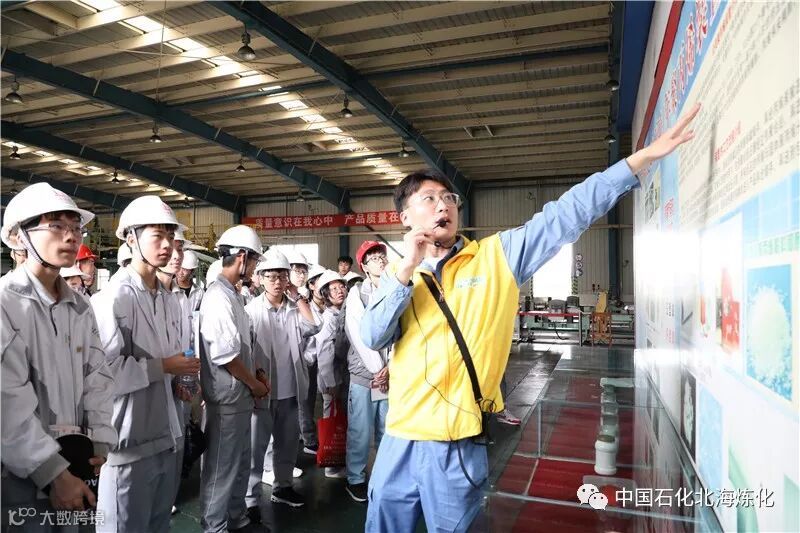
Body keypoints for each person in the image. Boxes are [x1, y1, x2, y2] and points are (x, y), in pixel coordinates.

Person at [361, 104, 701, 532]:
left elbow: (565, 215)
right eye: (429, 199)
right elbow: (373, 335)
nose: (443, 205)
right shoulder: (396, 275)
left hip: (456, 445)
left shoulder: (496, 258)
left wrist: (636, 163)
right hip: (399, 440)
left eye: (449, 198)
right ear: (404, 217)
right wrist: (406, 269)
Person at [0, 183, 116, 530]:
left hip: (79, 463)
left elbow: (98, 376)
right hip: (20, 476)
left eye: (76, 227)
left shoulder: (79, 306)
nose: (71, 236)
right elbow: (7, 401)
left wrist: (99, 440)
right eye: (56, 225)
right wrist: (51, 472)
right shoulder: (6, 304)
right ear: (19, 237)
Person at [91, 195, 200, 533]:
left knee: (158, 525)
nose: (167, 245)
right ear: (130, 238)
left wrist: (179, 378)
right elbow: (103, 374)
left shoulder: (167, 299)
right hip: (128, 443)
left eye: (171, 236)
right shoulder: (113, 298)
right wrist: (163, 367)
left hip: (166, 436)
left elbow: (173, 357)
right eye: (158, 235)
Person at [198, 225, 269, 533]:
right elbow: (226, 356)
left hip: (240, 397)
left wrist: (256, 374)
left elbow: (241, 346)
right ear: (242, 257)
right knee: (221, 469)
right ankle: (215, 526)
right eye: (254, 261)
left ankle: (237, 519)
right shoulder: (218, 298)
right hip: (227, 399)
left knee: (239, 463)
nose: (254, 268)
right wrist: (254, 385)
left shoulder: (234, 296)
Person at [244, 250, 320, 519]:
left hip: (290, 390)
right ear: (261, 279)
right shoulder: (251, 311)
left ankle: (283, 487)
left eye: (282, 276)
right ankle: (250, 499)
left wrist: (298, 297)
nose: (277, 282)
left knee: (287, 444)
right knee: (256, 447)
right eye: (271, 276)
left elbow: (315, 325)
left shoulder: (294, 309)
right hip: (263, 391)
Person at [154, 229, 199, 515]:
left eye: (180, 248)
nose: (175, 254)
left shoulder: (178, 298)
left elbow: (186, 344)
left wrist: (186, 379)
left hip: (177, 389)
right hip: (147, 398)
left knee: (176, 447)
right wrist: (167, 369)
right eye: (170, 246)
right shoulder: (122, 296)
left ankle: (168, 497)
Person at [343, 241, 391, 503]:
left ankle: (385, 476)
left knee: (388, 429)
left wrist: (390, 367)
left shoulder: (395, 288)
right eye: (373, 258)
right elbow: (358, 334)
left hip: (390, 375)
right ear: (363, 266)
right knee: (360, 430)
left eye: (381, 255)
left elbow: (402, 330)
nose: (379, 260)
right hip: (365, 376)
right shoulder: (357, 294)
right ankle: (356, 479)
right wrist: (378, 369)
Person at [309, 269, 350, 479]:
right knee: (332, 419)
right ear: (326, 294)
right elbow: (324, 353)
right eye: (333, 289)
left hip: (341, 376)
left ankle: (338, 461)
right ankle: (331, 466)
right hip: (332, 379)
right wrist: (332, 383)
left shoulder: (342, 313)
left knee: (339, 418)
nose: (339, 291)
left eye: (341, 286)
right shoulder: (329, 317)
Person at [299, 263, 326, 456]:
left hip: (319, 361)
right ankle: (309, 439)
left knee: (311, 401)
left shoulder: (327, 307)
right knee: (304, 402)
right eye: (320, 283)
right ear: (311, 285)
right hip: (307, 361)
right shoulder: (305, 307)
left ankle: (306, 434)